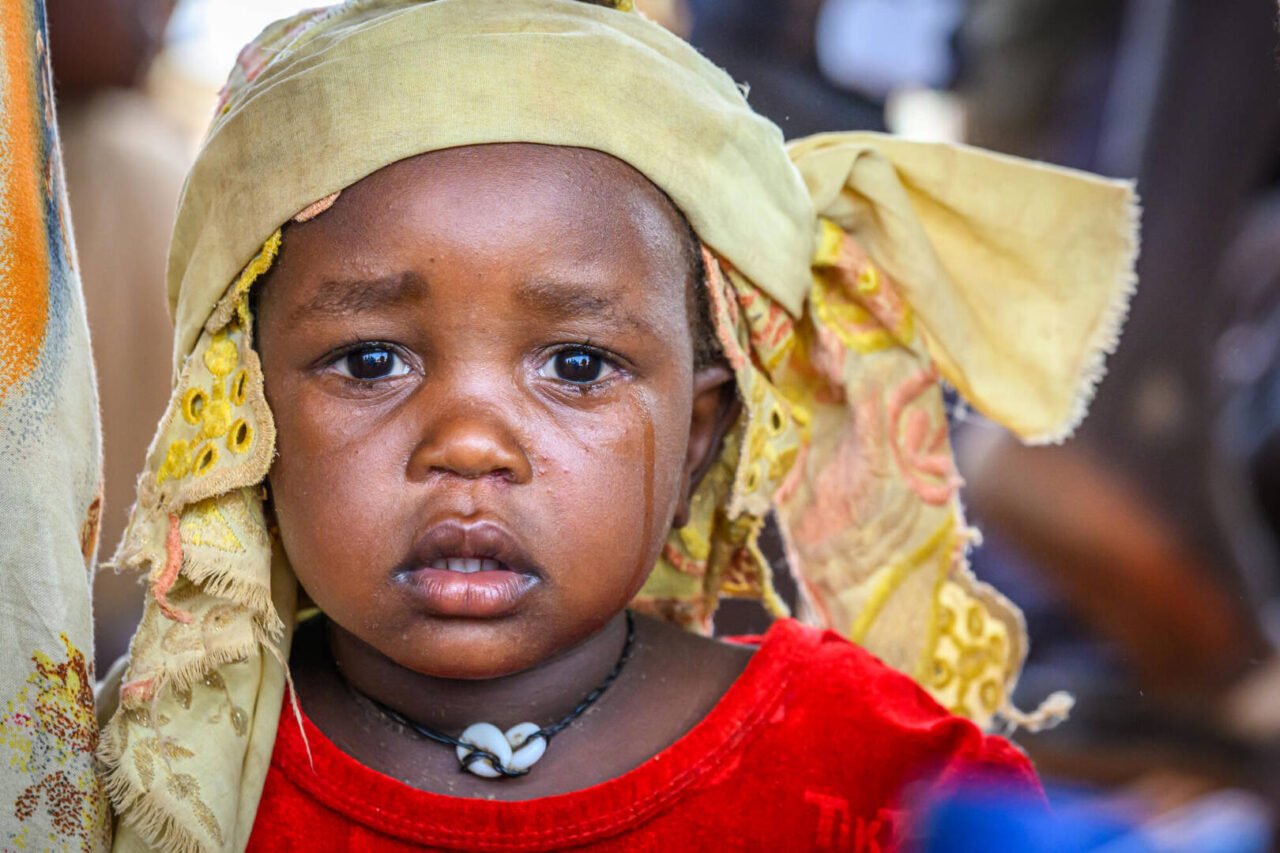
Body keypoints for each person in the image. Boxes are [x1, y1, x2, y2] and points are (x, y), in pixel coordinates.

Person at [95, 1, 1136, 849]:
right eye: (371, 361)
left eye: (577, 365)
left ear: (696, 437)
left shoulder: (887, 783)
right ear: (241, 419)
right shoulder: (150, 784)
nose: (469, 443)